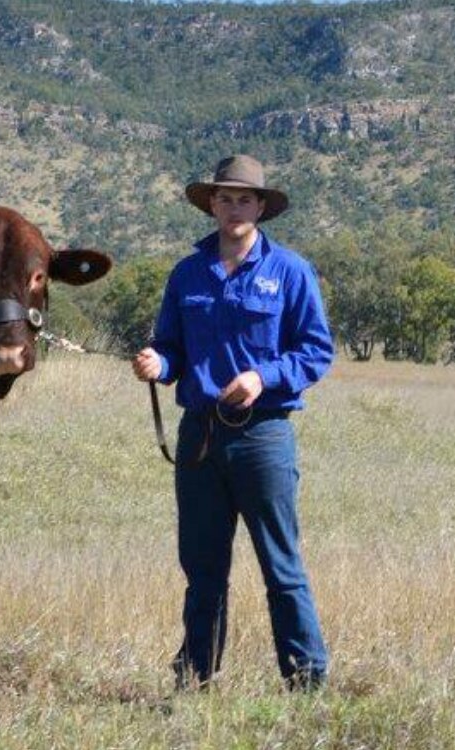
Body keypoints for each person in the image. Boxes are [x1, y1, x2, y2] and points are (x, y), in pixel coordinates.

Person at [131, 154, 334, 691]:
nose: (234, 207)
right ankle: (197, 676)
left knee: (281, 567)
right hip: (199, 435)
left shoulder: (289, 270)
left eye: (245, 198)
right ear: (211, 206)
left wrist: (263, 377)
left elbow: (316, 351)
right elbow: (171, 348)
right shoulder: (187, 273)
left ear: (261, 207)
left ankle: (307, 680)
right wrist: (158, 363)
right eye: (225, 198)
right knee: (202, 571)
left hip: (263, 434)